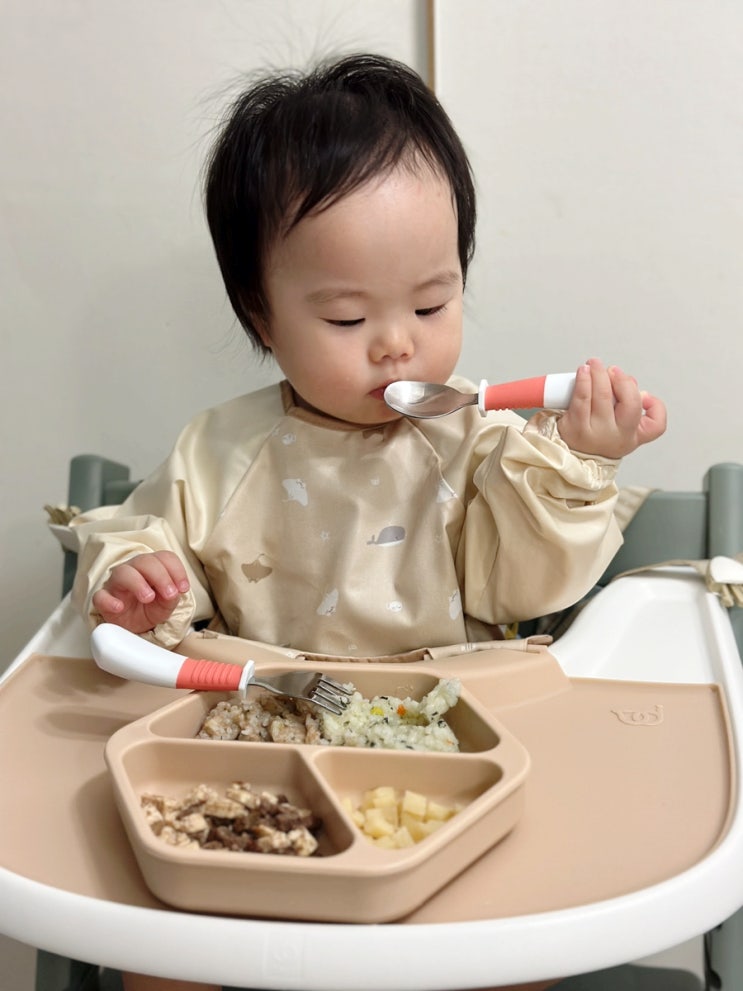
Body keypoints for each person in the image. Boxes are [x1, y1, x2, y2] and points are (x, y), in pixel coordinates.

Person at [70, 53, 666, 991]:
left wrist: (578, 461)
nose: (397, 342)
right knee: (161, 947)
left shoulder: (482, 440)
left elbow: (533, 584)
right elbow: (140, 537)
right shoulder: (219, 451)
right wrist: (139, 580)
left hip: (452, 737)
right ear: (262, 316)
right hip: (265, 730)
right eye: (348, 319)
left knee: (520, 937)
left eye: (431, 302)